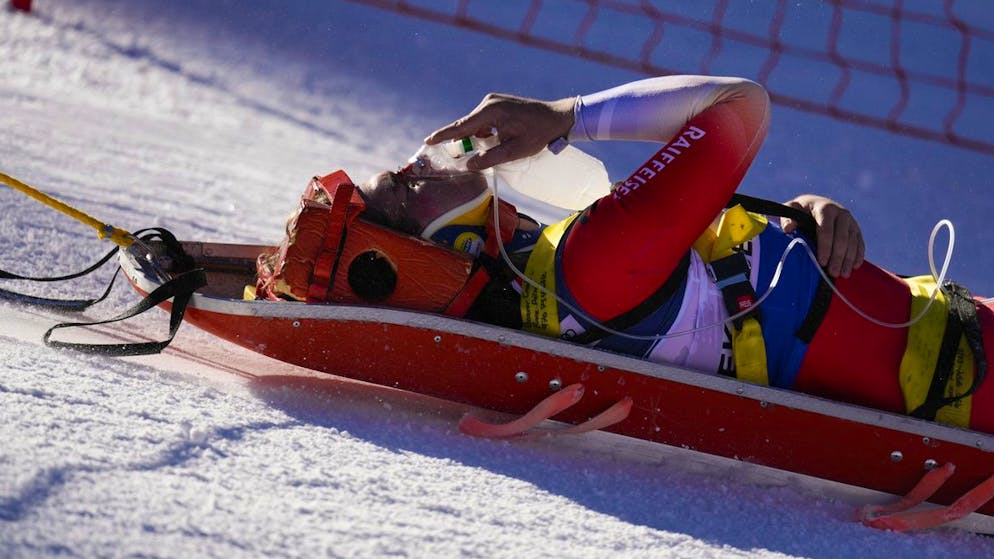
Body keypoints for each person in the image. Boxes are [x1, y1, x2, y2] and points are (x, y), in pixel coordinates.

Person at [276, 75, 994, 433]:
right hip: (970, 366)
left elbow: (723, 259)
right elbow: (739, 107)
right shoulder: (587, 266)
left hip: (953, 335)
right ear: (439, 252)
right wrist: (570, 117)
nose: (419, 161)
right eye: (403, 189)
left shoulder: (566, 276)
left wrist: (803, 215)